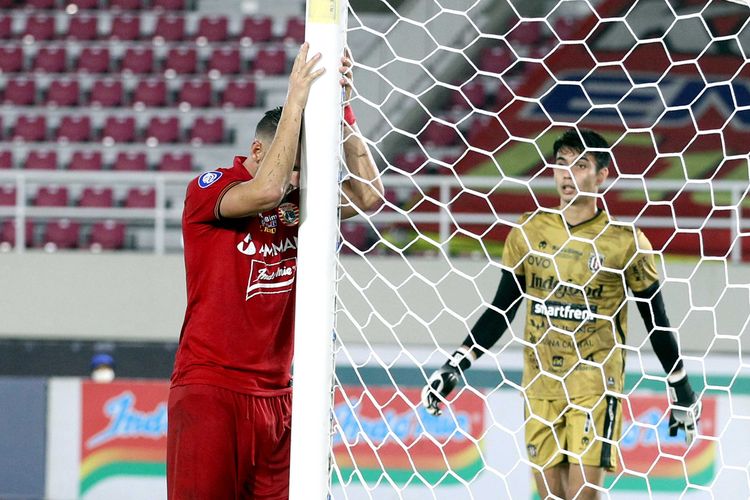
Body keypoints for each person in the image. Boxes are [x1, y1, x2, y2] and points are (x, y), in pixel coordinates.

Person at [421, 128, 701, 500]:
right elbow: (501, 308)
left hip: (594, 384)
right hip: (540, 383)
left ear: (602, 176)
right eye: (560, 164)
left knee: (581, 495)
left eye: (580, 165)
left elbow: (656, 319)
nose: (567, 174)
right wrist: (455, 364)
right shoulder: (529, 231)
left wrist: (680, 385)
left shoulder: (625, 242)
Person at [167, 43, 383, 499]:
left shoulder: (295, 202)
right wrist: (298, 96)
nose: (295, 182)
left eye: (301, 171)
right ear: (259, 149)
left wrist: (343, 111)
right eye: (292, 167)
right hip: (211, 389)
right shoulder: (210, 190)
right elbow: (266, 190)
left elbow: (369, 197)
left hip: (281, 399)